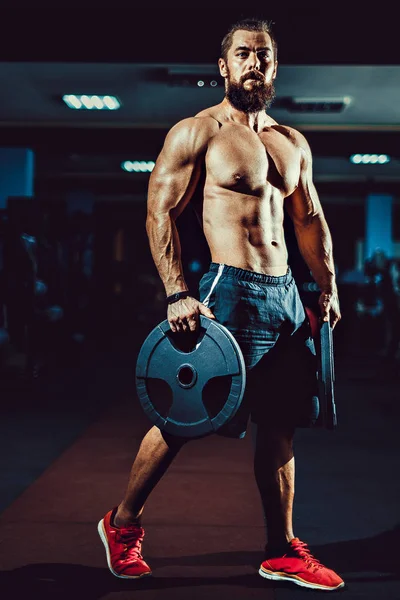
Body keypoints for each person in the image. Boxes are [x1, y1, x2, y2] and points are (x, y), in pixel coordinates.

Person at [97, 18, 344, 591]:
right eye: (243, 54)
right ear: (223, 67)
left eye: (263, 54)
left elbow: (308, 219)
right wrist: (177, 291)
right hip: (225, 290)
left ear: (274, 66)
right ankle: (123, 522)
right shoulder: (198, 132)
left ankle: (280, 548)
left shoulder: (291, 142)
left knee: (281, 424)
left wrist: (326, 287)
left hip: (285, 296)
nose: (253, 63)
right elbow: (161, 212)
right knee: (184, 417)